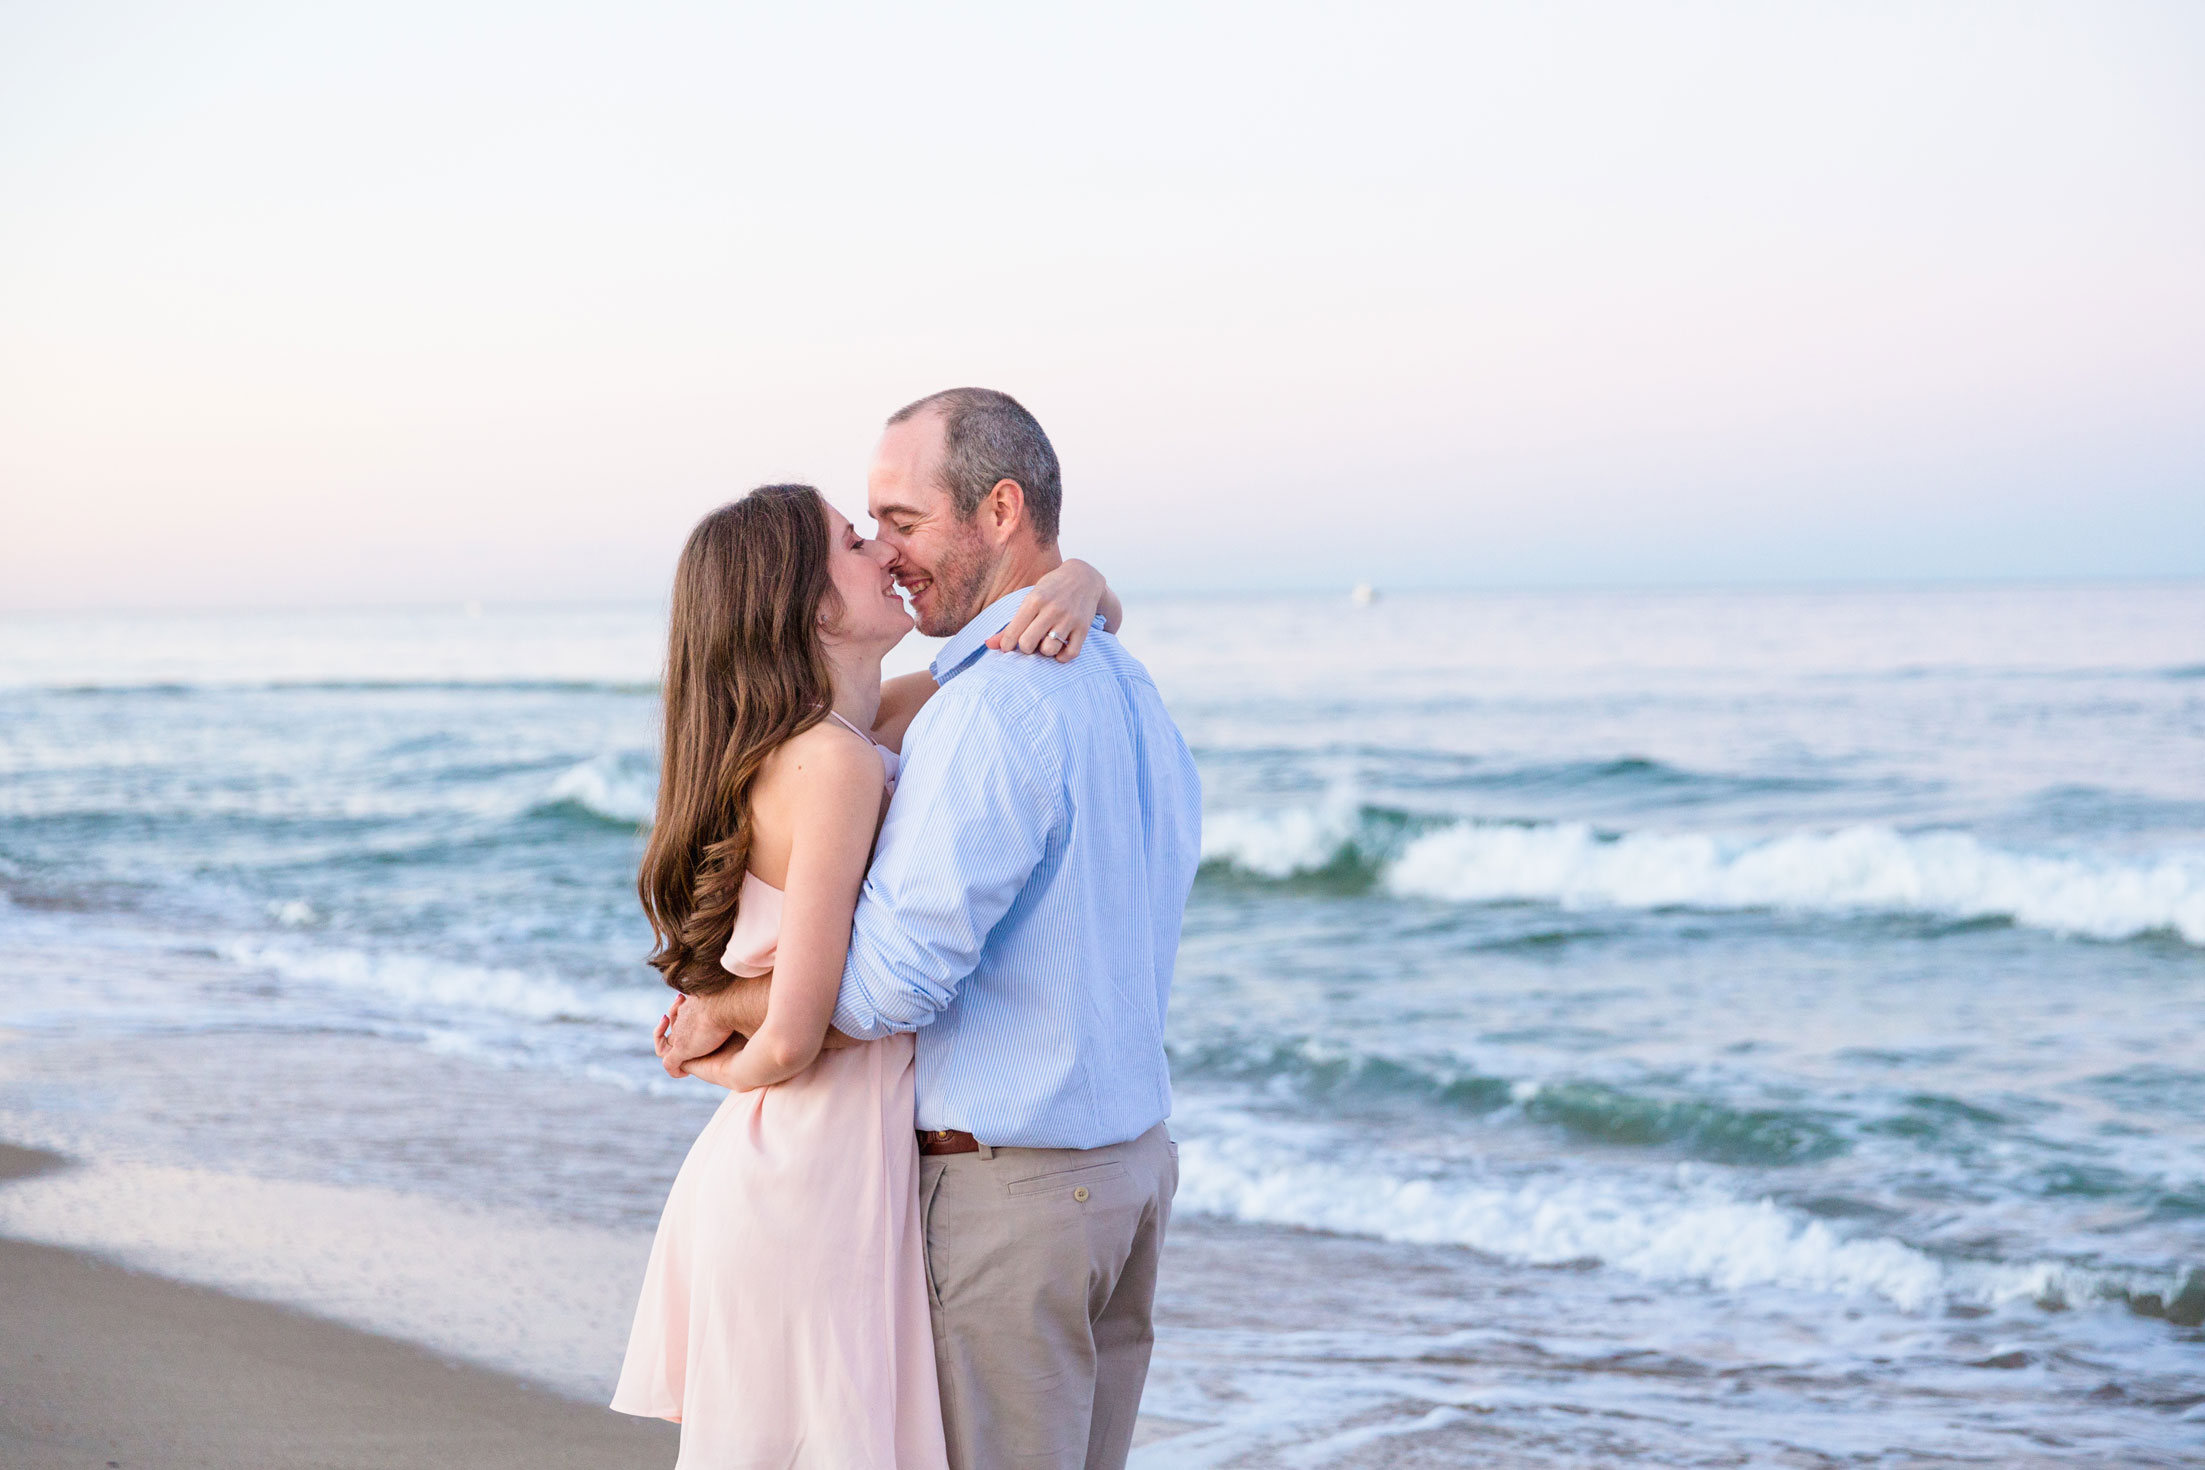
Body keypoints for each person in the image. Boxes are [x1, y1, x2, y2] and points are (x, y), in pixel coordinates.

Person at [659, 388, 1203, 1470]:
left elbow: (885, 990)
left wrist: (727, 1005)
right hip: (1129, 1174)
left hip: (1018, 1198)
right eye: (867, 534)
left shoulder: (990, 707)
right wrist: (1079, 581)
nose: (890, 553)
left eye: (900, 524)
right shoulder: (1121, 681)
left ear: (999, 512)